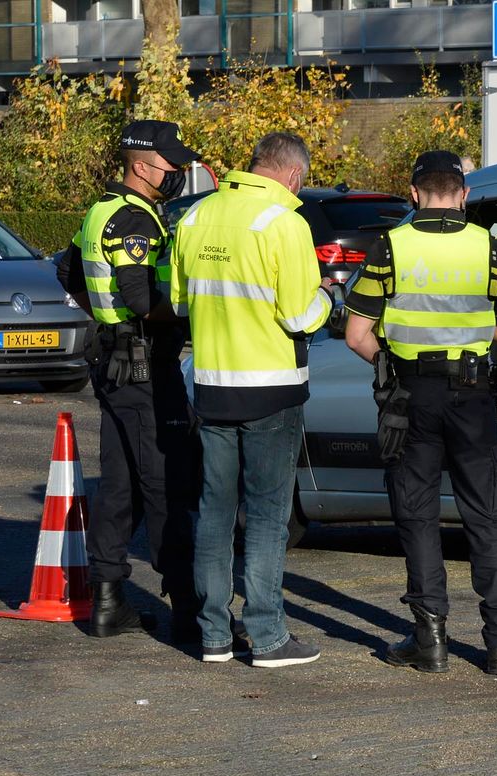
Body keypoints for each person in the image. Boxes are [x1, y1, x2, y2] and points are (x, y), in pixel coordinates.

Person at [343, 150, 497, 676]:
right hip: (473, 396)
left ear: (415, 192)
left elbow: (357, 334)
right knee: (488, 516)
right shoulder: (489, 249)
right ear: (464, 194)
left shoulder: (390, 247)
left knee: (418, 514)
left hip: (410, 399)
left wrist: (399, 357)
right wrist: (466, 336)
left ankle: (431, 640)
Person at [170, 132, 332, 667]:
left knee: (214, 512)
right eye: (302, 182)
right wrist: (328, 297)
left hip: (212, 386)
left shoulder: (194, 218)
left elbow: (178, 300)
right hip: (270, 391)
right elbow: (298, 315)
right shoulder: (284, 223)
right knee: (266, 515)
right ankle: (267, 636)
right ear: (290, 174)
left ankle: (213, 634)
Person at [57, 120, 199, 642]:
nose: (177, 174)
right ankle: (188, 607)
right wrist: (189, 312)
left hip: (115, 365)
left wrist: (103, 317)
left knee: (118, 487)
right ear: (141, 166)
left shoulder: (100, 211)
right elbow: (142, 299)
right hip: (144, 370)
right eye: (171, 165)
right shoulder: (135, 220)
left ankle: (108, 600)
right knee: (166, 484)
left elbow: (67, 271)